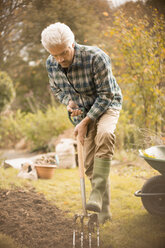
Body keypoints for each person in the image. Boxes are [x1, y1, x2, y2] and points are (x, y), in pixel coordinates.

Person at [41, 22, 122, 224]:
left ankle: (97, 195)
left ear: (73, 43)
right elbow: (57, 90)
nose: (60, 59)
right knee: (89, 165)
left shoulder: (96, 57)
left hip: (107, 105)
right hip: (82, 111)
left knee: (105, 133)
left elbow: (106, 95)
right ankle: (104, 211)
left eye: (63, 53)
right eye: (55, 55)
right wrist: (68, 102)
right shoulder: (51, 63)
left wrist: (86, 121)